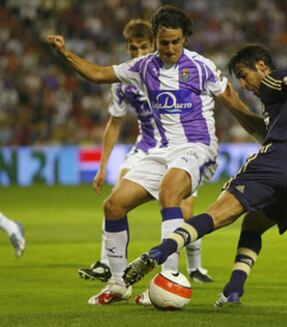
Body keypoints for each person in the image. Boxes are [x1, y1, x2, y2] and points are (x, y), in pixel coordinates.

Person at [47, 6, 265, 305]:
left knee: (169, 192)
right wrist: (65, 53)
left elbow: (233, 102)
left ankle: (166, 279)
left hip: (198, 147)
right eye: (164, 42)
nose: (170, 48)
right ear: (156, 39)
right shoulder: (142, 67)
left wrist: (262, 134)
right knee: (113, 206)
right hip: (161, 150)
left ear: (184, 38)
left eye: (176, 41)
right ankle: (117, 283)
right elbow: (98, 74)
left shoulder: (201, 67)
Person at [121, 45, 287, 306]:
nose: (245, 84)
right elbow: (265, 126)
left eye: (244, 75)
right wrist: (235, 107)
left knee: (215, 214)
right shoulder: (283, 106)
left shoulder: (273, 78)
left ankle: (160, 251)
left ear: (260, 65)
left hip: (276, 164)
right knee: (252, 226)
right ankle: (234, 290)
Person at [76, 19, 212, 306]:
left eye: (142, 47)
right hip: (149, 148)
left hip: (185, 149)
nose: (138, 52)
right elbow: (113, 122)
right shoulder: (128, 79)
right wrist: (103, 166)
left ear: (152, 45)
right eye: (132, 48)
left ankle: (185, 270)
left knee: (180, 205)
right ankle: (111, 272)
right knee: (115, 202)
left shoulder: (185, 69)